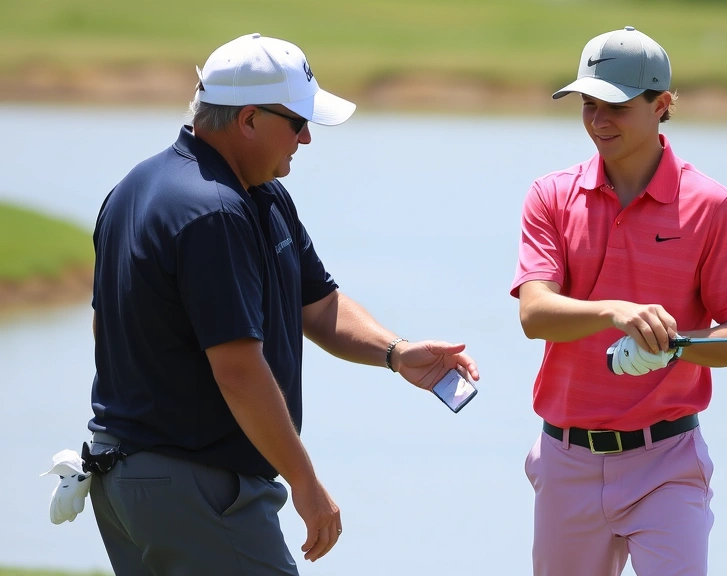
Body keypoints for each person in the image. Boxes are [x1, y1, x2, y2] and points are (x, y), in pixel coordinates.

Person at [85, 33, 479, 575]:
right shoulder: (215, 210)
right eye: (297, 123)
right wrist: (305, 483)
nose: (307, 139)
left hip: (134, 479)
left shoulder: (195, 191)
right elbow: (239, 371)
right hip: (194, 484)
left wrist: (396, 352)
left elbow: (316, 305)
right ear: (248, 119)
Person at [510, 26, 727, 576]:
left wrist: (676, 349)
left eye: (617, 107)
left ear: (662, 105)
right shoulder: (551, 196)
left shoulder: (714, 207)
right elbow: (534, 314)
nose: (599, 122)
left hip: (667, 462)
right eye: (588, 105)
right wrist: (614, 311)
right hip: (567, 460)